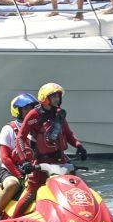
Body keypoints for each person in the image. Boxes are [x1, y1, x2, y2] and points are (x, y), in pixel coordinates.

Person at [12, 82, 85, 212]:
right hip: (41, 162)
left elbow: (68, 134)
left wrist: (79, 146)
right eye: (54, 96)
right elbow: (20, 138)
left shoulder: (59, 114)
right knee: (32, 191)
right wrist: (25, 161)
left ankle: (79, 214)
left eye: (58, 96)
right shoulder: (34, 115)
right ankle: (15, 220)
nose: (57, 99)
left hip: (61, 160)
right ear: (45, 98)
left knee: (74, 187)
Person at [0, 92, 38, 219]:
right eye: (26, 108)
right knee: (12, 184)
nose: (30, 111)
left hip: (33, 169)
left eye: (32, 108)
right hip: (10, 171)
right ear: (18, 111)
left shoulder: (38, 129)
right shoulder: (9, 129)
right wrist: (20, 175)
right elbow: (5, 157)